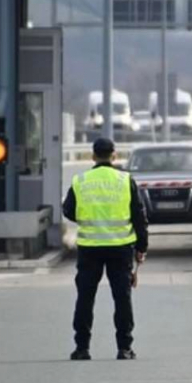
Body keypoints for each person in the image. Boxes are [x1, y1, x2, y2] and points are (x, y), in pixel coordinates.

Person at [63, 137, 148, 361]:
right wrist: (142, 247)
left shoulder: (81, 180)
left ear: (92, 156)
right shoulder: (125, 180)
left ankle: (82, 348)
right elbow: (139, 215)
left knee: (85, 298)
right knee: (122, 298)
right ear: (114, 155)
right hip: (120, 248)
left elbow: (68, 210)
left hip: (90, 248)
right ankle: (124, 348)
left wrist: (87, 217)